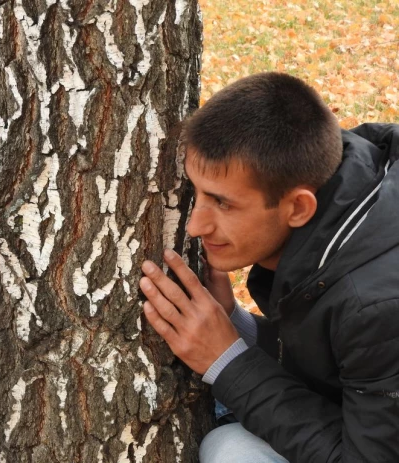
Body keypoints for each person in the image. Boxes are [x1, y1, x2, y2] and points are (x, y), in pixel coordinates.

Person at [139, 72, 399, 462]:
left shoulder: (375, 307)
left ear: (298, 207)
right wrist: (235, 326)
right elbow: (339, 370)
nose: (194, 226)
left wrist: (228, 362)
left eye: (223, 203)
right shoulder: (344, 196)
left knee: (230, 452)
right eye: (197, 193)